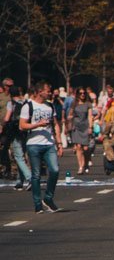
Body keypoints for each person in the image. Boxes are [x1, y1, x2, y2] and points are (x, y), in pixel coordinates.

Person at [19, 82, 64, 213]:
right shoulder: (28, 106)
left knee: (55, 170)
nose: (50, 93)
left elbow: (55, 125)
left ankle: (48, 198)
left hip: (49, 144)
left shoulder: (50, 106)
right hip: (33, 144)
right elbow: (22, 125)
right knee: (36, 175)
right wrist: (38, 124)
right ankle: (38, 203)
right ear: (39, 92)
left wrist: (59, 143)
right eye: (47, 91)